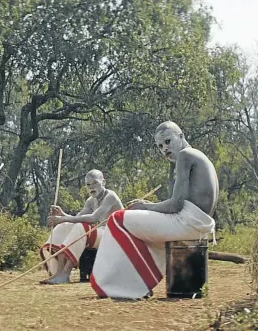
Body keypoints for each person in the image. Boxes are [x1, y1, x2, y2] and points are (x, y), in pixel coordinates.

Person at [90, 121, 217, 299]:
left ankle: (115, 286)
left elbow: (175, 205)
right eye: (159, 146)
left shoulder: (185, 156)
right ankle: (136, 283)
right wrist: (149, 206)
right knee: (138, 225)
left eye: (167, 141)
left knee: (117, 219)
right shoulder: (199, 156)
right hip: (198, 225)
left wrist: (145, 206)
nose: (164, 149)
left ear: (181, 136)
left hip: (187, 223)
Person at [38, 170, 123, 284]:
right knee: (64, 226)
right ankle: (58, 273)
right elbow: (77, 217)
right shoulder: (90, 201)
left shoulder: (110, 196)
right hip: (102, 234)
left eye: (95, 183)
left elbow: (93, 218)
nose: (91, 187)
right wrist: (63, 216)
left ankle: (66, 273)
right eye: (88, 184)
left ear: (103, 182)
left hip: (115, 235)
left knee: (80, 227)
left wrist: (63, 218)